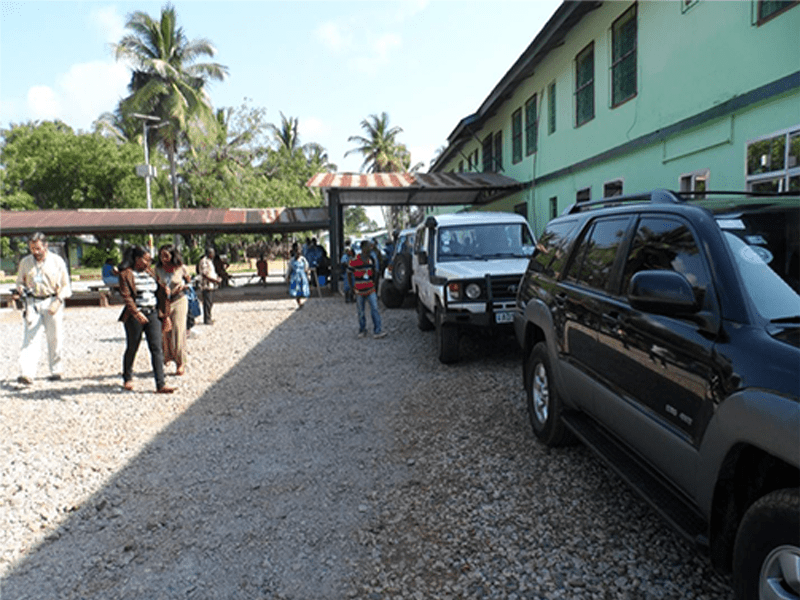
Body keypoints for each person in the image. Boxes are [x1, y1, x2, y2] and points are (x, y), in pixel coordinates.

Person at [12, 232, 72, 384]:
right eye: (32, 248)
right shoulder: (25, 262)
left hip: (52, 300)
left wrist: (58, 301)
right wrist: (20, 289)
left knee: (55, 337)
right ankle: (27, 373)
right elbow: (19, 282)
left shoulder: (57, 261)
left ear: (45, 246)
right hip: (32, 302)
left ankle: (56, 370)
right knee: (30, 338)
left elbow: (66, 286)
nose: (36, 252)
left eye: (38, 248)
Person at [117, 245, 175, 394]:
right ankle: (127, 376)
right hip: (135, 316)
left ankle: (160, 384)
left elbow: (159, 293)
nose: (149, 262)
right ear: (137, 259)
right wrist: (136, 313)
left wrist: (165, 314)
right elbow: (127, 296)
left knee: (157, 348)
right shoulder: (126, 274)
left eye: (150, 260)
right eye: (146, 259)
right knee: (133, 346)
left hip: (153, 313)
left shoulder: (151, 273)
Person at [155, 244, 190, 376]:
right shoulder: (158, 269)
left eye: (166, 255)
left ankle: (181, 362)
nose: (163, 258)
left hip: (179, 300)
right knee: (165, 331)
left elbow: (189, 281)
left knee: (178, 330)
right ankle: (168, 356)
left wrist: (184, 286)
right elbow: (155, 284)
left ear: (172, 255)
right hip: (164, 302)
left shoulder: (181, 268)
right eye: (161, 255)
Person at [347, 240, 386, 339]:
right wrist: (352, 287)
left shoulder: (372, 259)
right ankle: (362, 329)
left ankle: (377, 330)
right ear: (363, 248)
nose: (370, 248)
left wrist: (374, 286)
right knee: (361, 311)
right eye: (369, 247)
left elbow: (374, 273)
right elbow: (349, 273)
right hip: (359, 290)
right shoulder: (355, 260)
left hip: (370, 288)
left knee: (375, 309)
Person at [198, 248, 222, 324]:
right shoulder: (204, 261)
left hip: (211, 285)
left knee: (210, 302)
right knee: (207, 303)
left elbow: (211, 272)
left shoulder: (209, 261)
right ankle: (207, 319)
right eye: (212, 253)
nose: (214, 254)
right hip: (206, 285)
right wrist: (214, 280)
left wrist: (216, 278)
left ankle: (209, 317)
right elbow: (204, 274)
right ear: (209, 253)